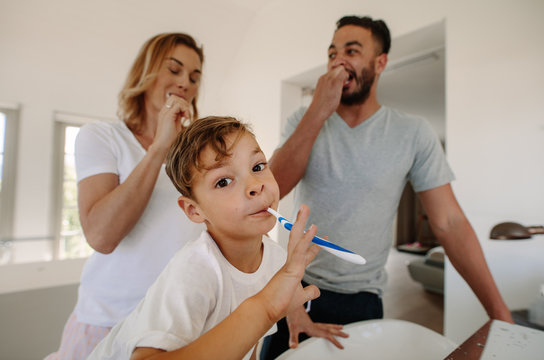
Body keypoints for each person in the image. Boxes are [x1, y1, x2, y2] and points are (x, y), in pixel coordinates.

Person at [261, 15, 514, 359]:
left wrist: (499, 313)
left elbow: (450, 223)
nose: (338, 60)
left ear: (380, 63)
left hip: (363, 298)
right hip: (296, 289)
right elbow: (270, 189)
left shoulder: (413, 133)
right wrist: (318, 110)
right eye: (332, 52)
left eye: (352, 50)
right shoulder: (303, 120)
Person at [87, 116, 347, 360]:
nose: (255, 185)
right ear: (194, 210)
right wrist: (266, 308)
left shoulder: (277, 259)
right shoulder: (194, 271)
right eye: (223, 181)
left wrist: (291, 316)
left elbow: (249, 343)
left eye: (257, 166)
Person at [45, 33, 206, 360]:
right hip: (107, 321)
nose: (185, 83)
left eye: (194, 76)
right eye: (174, 70)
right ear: (145, 75)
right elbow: (101, 235)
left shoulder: (198, 155)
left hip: (176, 325)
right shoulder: (102, 137)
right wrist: (160, 147)